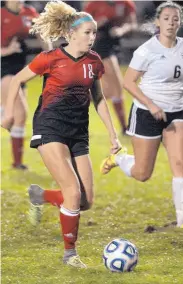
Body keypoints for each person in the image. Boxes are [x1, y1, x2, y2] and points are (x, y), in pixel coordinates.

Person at [1, 0, 122, 268]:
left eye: (94, 32)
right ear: (71, 34)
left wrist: (113, 134)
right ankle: (70, 255)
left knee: (85, 200)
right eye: (87, 32)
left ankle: (41, 196)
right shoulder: (50, 58)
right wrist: (8, 113)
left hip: (78, 133)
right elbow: (19, 80)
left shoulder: (94, 61)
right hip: (50, 127)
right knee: (72, 191)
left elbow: (99, 99)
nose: (92, 37)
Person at [100, 1, 183, 230]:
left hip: (177, 113)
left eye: (175, 19)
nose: (171, 22)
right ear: (157, 22)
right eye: (166, 18)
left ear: (180, 22)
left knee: (181, 163)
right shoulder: (147, 50)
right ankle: (119, 158)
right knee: (142, 173)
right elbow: (128, 82)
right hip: (146, 113)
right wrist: (151, 105)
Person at [1, 0, 51, 170]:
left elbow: (42, 34)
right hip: (3, 67)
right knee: (20, 113)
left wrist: (50, 51)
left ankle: (17, 163)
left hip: (19, 69)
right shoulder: (2, 15)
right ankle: (17, 163)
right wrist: (6, 50)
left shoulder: (28, 12)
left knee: (15, 116)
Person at [84, 0, 137, 135]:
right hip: (99, 46)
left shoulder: (125, 3)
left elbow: (132, 24)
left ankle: (77, 100)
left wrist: (122, 29)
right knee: (117, 87)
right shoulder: (93, 4)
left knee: (110, 91)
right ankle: (125, 128)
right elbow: (80, 27)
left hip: (115, 45)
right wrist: (97, 23)